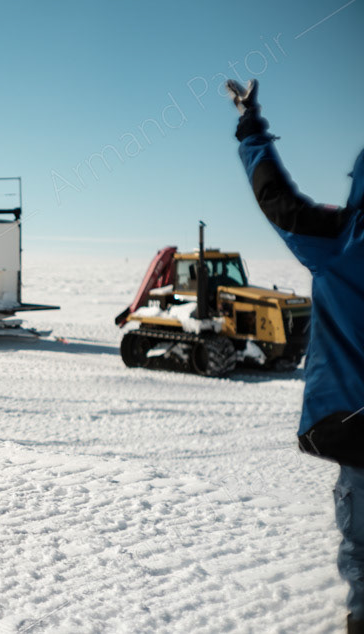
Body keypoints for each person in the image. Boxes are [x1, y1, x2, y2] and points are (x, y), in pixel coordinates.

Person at [227, 78, 364, 633]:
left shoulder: (338, 239)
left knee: (361, 542)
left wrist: (250, 124)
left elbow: (276, 198)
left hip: (354, 421)